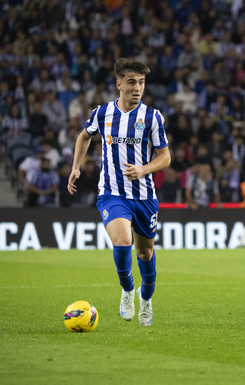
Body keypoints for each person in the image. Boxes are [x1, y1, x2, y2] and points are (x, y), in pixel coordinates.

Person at [68, 58, 171, 327]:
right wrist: (76, 167)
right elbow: (84, 136)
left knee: (145, 253)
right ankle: (127, 291)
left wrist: (143, 169)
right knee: (123, 241)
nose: (137, 88)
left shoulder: (152, 117)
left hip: (145, 197)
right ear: (119, 84)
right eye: (132, 82)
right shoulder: (102, 114)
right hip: (112, 193)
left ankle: (145, 298)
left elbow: (165, 158)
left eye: (141, 82)